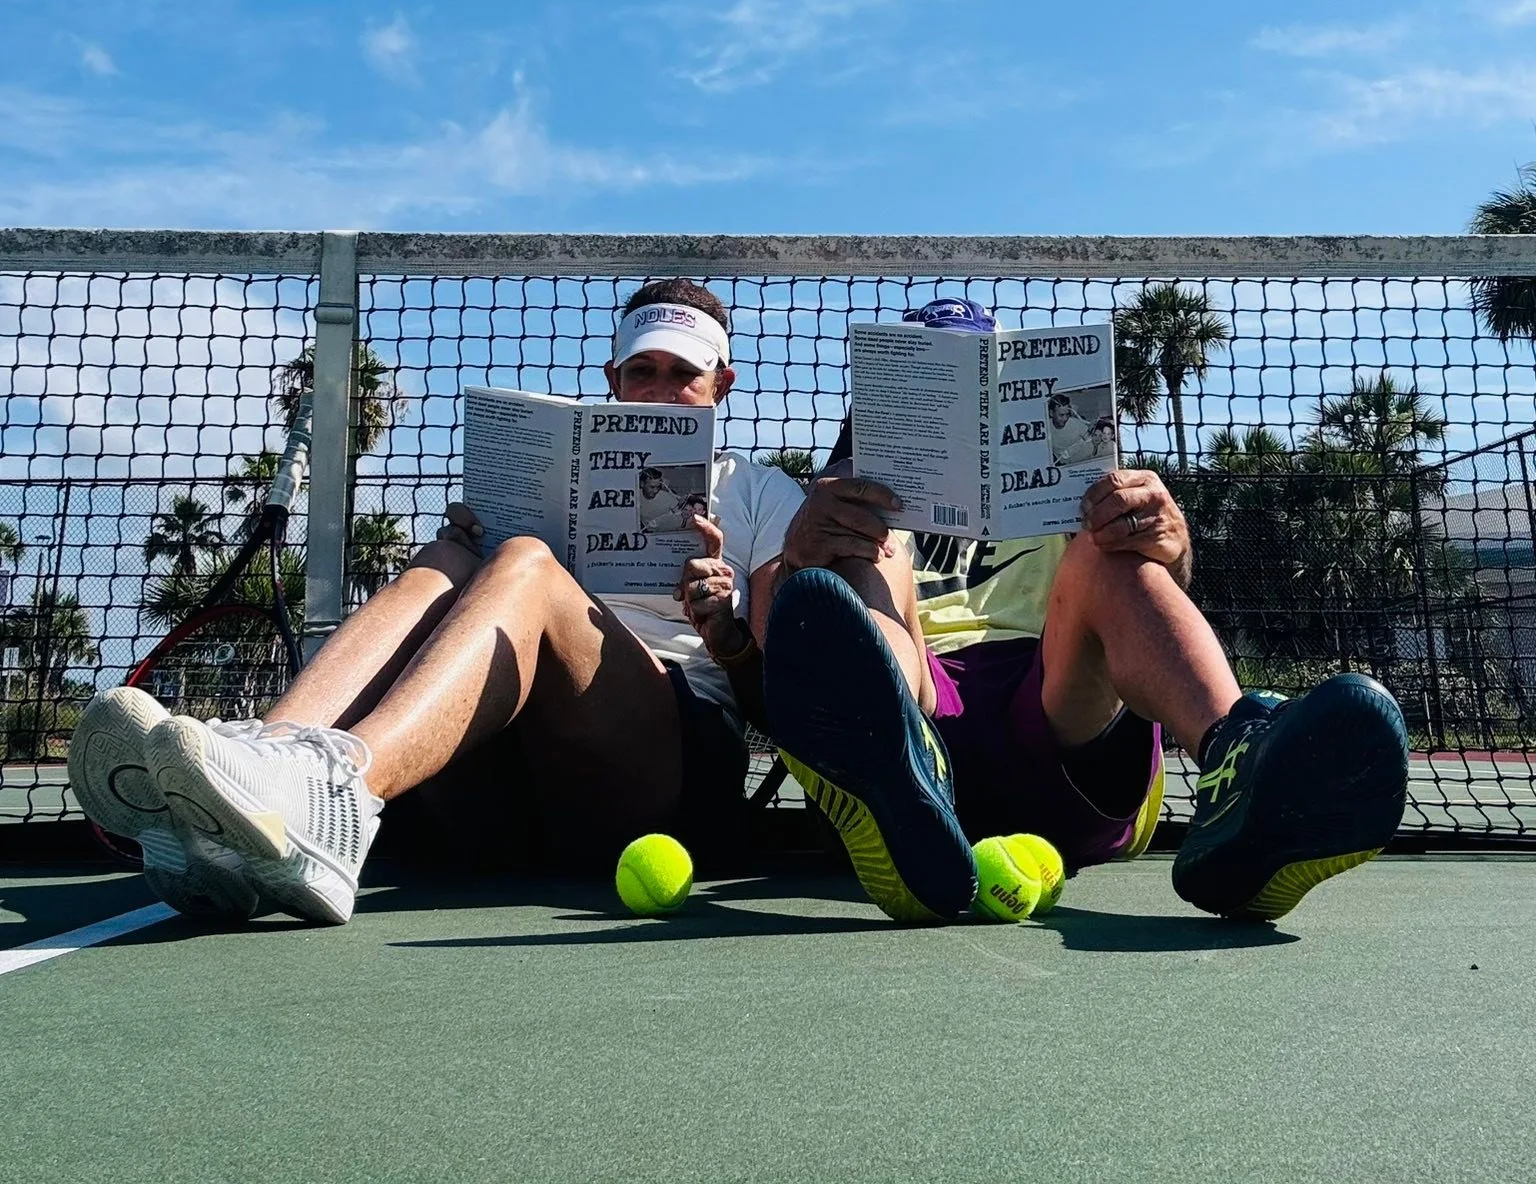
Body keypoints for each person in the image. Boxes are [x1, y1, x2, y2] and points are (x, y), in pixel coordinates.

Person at [68, 279, 804, 926]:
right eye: (641, 371)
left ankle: (339, 793)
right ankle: (262, 773)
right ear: (612, 376)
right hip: (506, 791)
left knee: (524, 560)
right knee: (449, 556)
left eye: (683, 374)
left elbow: (786, 709)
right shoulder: (567, 467)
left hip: (661, 775)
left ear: (723, 384)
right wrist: (457, 548)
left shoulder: (765, 493)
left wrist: (728, 632)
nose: (658, 390)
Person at [758, 296, 1410, 927]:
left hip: (1053, 705)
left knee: (1108, 551)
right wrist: (800, 560)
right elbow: (783, 635)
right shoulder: (834, 503)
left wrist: (1169, 545)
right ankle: (890, 766)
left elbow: (1141, 607)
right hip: (918, 706)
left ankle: (1240, 769)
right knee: (853, 557)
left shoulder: (1068, 477)